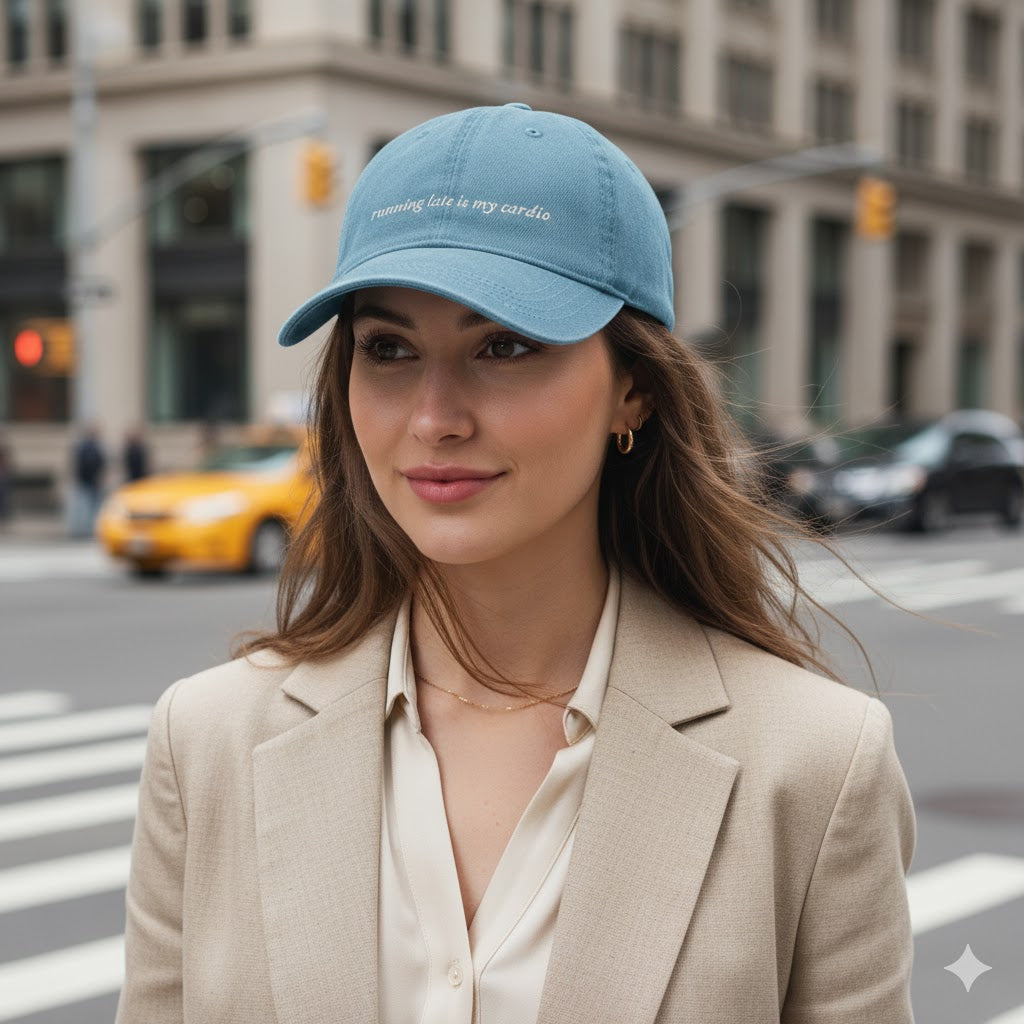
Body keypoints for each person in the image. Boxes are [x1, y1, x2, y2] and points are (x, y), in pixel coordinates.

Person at [115, 103, 916, 1024]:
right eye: (388, 349)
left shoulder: (815, 766)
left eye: (505, 345)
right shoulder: (207, 741)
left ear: (634, 390)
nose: (435, 417)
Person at [68, 423, 105, 539]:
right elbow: (79, 464)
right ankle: (83, 530)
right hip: (85, 481)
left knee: (92, 508)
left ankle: (90, 530)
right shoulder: (84, 447)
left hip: (93, 482)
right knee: (84, 508)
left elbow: (101, 464)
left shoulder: (97, 446)